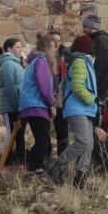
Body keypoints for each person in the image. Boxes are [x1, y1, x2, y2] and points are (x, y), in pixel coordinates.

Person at [47, 35, 98, 188]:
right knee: (83, 142)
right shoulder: (80, 62)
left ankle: (80, 178)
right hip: (78, 107)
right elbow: (77, 86)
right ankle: (57, 168)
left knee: (89, 144)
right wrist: (91, 99)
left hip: (85, 108)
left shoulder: (82, 61)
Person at [19, 33, 57, 178]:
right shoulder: (41, 61)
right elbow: (44, 85)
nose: (54, 51)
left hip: (28, 104)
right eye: (53, 47)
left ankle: (35, 165)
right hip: (37, 104)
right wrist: (51, 104)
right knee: (43, 138)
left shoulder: (32, 62)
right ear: (47, 47)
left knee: (41, 137)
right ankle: (35, 167)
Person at [0, 38, 27, 171]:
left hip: (20, 106)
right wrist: (17, 105)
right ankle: (4, 164)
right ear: (9, 49)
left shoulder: (17, 64)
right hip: (11, 107)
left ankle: (21, 164)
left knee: (20, 135)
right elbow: (9, 87)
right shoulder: (8, 64)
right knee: (11, 134)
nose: (21, 50)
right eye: (18, 47)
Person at [82, 14, 108, 98]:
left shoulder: (101, 40)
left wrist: (94, 83)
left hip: (99, 87)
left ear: (91, 26)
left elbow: (102, 64)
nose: (83, 30)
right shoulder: (95, 39)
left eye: (85, 26)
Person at [48, 29, 69, 157]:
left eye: (59, 41)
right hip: (46, 97)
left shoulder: (64, 54)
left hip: (60, 97)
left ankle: (63, 156)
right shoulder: (43, 55)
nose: (56, 43)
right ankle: (46, 155)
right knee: (45, 130)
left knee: (61, 128)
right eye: (53, 41)